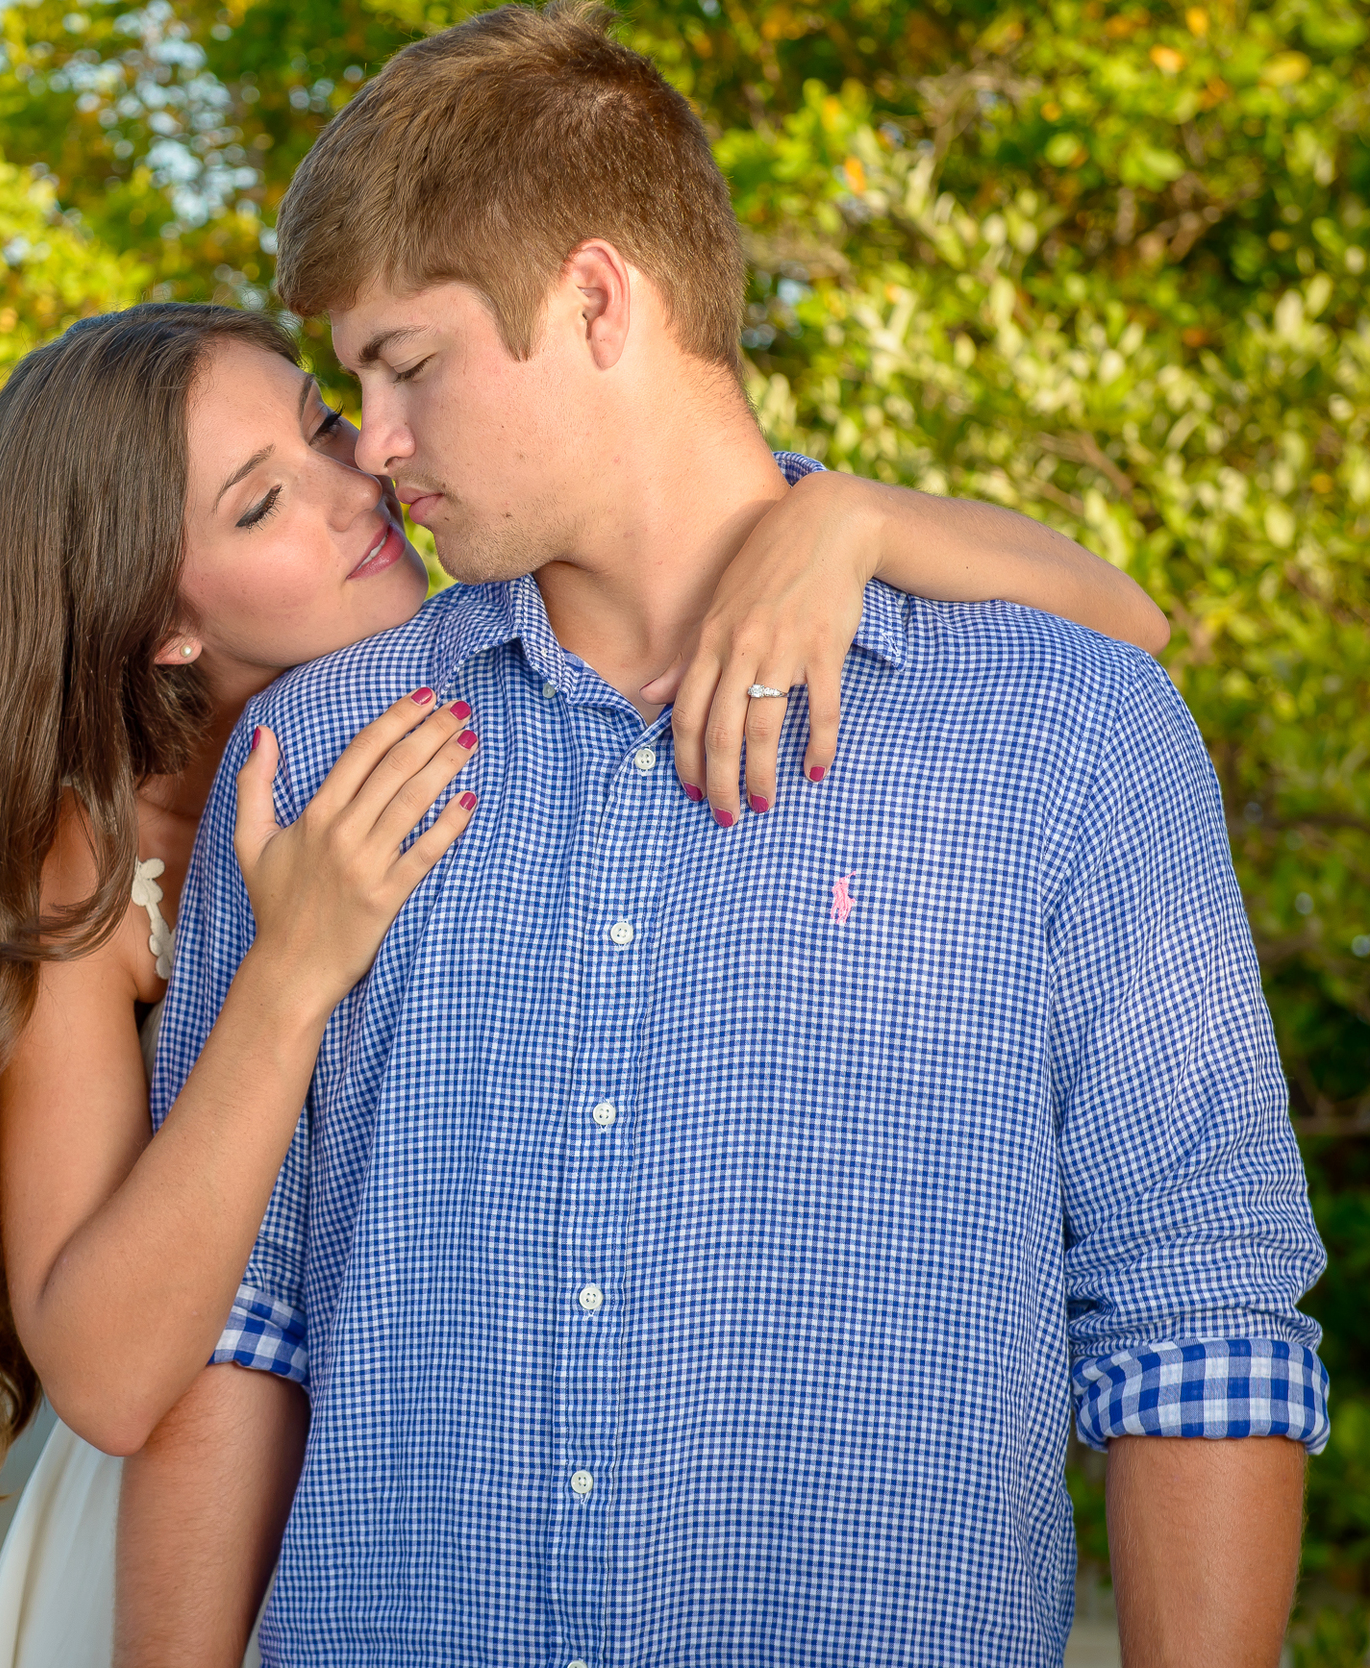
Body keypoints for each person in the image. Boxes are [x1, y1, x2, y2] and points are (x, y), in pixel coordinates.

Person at [129, 7, 1328, 1666]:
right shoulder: (316, 753)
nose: (377, 445)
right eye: (355, 387)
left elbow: (1197, 1323)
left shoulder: (1064, 732)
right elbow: (234, 1331)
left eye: (407, 364)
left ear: (599, 299)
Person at [0, 289, 1170, 1662]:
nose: (354, 479)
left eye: (321, 425)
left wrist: (857, 521)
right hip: (195, 1543)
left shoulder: (512, 641)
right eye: (260, 507)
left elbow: (1123, 631)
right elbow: (118, 1383)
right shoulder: (91, 859)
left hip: (443, 1483)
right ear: (159, 625)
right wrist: (290, 968)